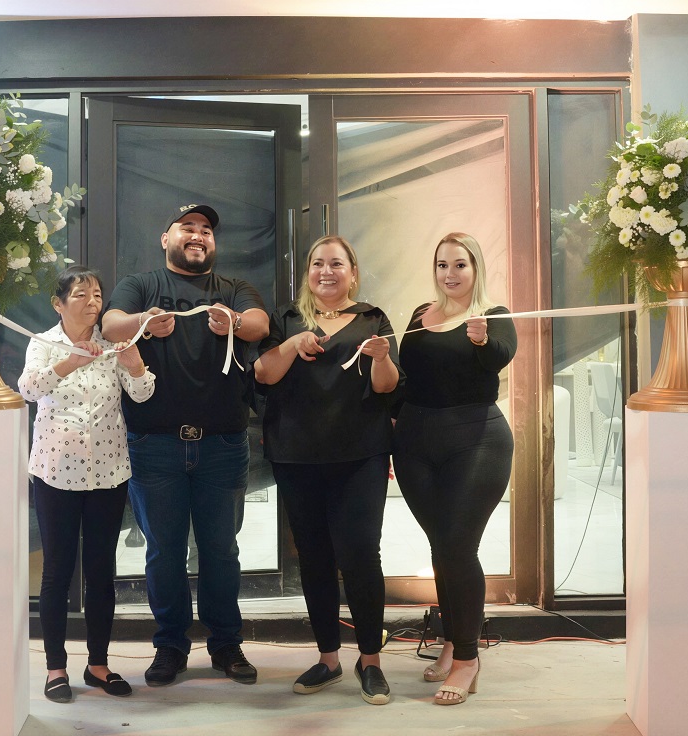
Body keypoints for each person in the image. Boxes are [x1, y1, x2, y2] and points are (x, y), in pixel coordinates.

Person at [101, 203, 269, 686]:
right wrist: (141, 322)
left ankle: (226, 644)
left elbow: (259, 324)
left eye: (206, 230)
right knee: (164, 551)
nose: (198, 235)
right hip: (154, 446)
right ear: (166, 238)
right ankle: (170, 645)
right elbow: (110, 325)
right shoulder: (141, 285)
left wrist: (234, 323)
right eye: (187, 228)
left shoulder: (233, 289)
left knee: (221, 550)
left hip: (222, 445)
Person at [254, 235, 401, 705]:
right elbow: (263, 374)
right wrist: (292, 344)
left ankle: (370, 661)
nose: (326, 271)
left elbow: (387, 386)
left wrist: (382, 358)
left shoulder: (373, 318)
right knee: (314, 557)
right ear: (308, 273)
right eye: (318, 263)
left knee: (361, 555)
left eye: (337, 264)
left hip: (361, 455)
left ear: (352, 273)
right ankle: (329, 658)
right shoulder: (286, 318)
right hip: (297, 455)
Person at [19, 265, 155, 704]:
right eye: (81, 294)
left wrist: (136, 367)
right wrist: (68, 362)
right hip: (56, 474)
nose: (92, 301)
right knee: (57, 573)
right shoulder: (43, 343)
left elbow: (143, 395)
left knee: (100, 572)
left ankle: (98, 665)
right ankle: (55, 668)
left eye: (97, 294)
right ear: (58, 304)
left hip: (108, 474)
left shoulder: (115, 344)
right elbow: (27, 388)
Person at [392, 232, 517, 705]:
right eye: (442, 264)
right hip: (414, 442)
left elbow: (500, 357)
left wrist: (482, 340)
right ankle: (451, 639)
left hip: (476, 438)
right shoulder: (420, 315)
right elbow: (406, 378)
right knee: (441, 548)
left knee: (457, 547)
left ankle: (467, 659)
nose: (450, 273)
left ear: (475, 268)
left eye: (460, 264)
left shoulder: (493, 315)